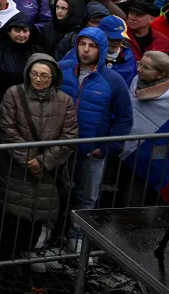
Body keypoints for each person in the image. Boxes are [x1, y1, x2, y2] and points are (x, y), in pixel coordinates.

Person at [0, 54, 77, 265]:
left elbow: (70, 136)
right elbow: (7, 129)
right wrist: (29, 159)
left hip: (46, 171)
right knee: (9, 212)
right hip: (15, 166)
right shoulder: (14, 94)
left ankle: (26, 251)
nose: (38, 79)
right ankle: (2, 255)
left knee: (36, 213)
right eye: (34, 74)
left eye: (44, 75)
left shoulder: (65, 101)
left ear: (53, 77)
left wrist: (44, 161)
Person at [57, 27, 133, 251]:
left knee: (87, 197)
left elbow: (124, 118)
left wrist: (107, 148)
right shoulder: (61, 69)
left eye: (92, 46)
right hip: (58, 146)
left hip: (92, 150)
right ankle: (45, 230)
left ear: (100, 49)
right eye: (82, 44)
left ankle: (77, 236)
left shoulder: (113, 80)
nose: (86, 50)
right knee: (53, 191)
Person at [123, 51, 169, 204]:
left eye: (146, 68)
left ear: (160, 74)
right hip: (128, 148)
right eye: (139, 64)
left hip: (157, 152)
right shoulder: (136, 80)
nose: (139, 69)